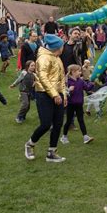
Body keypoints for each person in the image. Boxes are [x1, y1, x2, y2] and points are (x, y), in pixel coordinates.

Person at [24, 34, 67, 162]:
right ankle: (30, 144)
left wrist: (63, 94)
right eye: (62, 46)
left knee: (58, 123)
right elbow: (42, 78)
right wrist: (54, 94)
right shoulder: (43, 58)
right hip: (44, 94)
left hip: (57, 95)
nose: (63, 48)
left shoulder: (57, 58)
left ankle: (51, 152)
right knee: (46, 124)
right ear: (57, 47)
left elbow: (62, 79)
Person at [60, 64, 94, 144]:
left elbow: (87, 88)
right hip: (71, 104)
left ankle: (85, 137)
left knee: (81, 120)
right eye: (79, 71)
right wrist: (69, 90)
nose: (80, 72)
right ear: (73, 72)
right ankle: (64, 137)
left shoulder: (81, 81)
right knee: (68, 121)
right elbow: (63, 93)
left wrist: (92, 83)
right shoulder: (67, 81)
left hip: (79, 104)